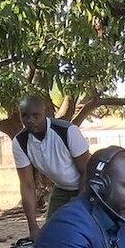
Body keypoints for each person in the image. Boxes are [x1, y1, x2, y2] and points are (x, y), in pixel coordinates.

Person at [11, 96, 92, 239]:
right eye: (25, 116)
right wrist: (33, 227)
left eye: (36, 115)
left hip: (90, 185)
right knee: (51, 234)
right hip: (62, 188)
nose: (30, 120)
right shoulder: (20, 142)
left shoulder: (67, 131)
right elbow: (27, 185)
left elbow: (87, 171)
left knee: (87, 230)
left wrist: (79, 205)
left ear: (47, 113)